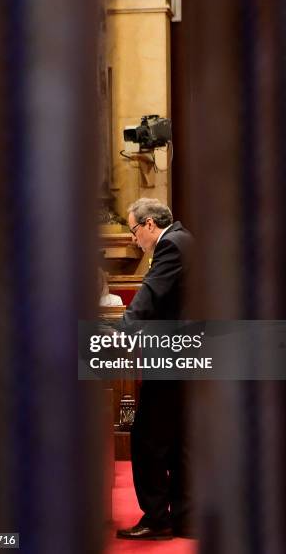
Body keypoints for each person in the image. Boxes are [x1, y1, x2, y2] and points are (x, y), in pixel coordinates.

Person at [116, 198, 195, 541]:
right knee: (179, 439)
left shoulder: (171, 246)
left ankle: (156, 517)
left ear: (149, 224)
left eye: (134, 230)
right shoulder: (185, 240)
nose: (133, 239)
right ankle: (184, 517)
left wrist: (122, 331)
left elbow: (150, 293)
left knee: (147, 437)